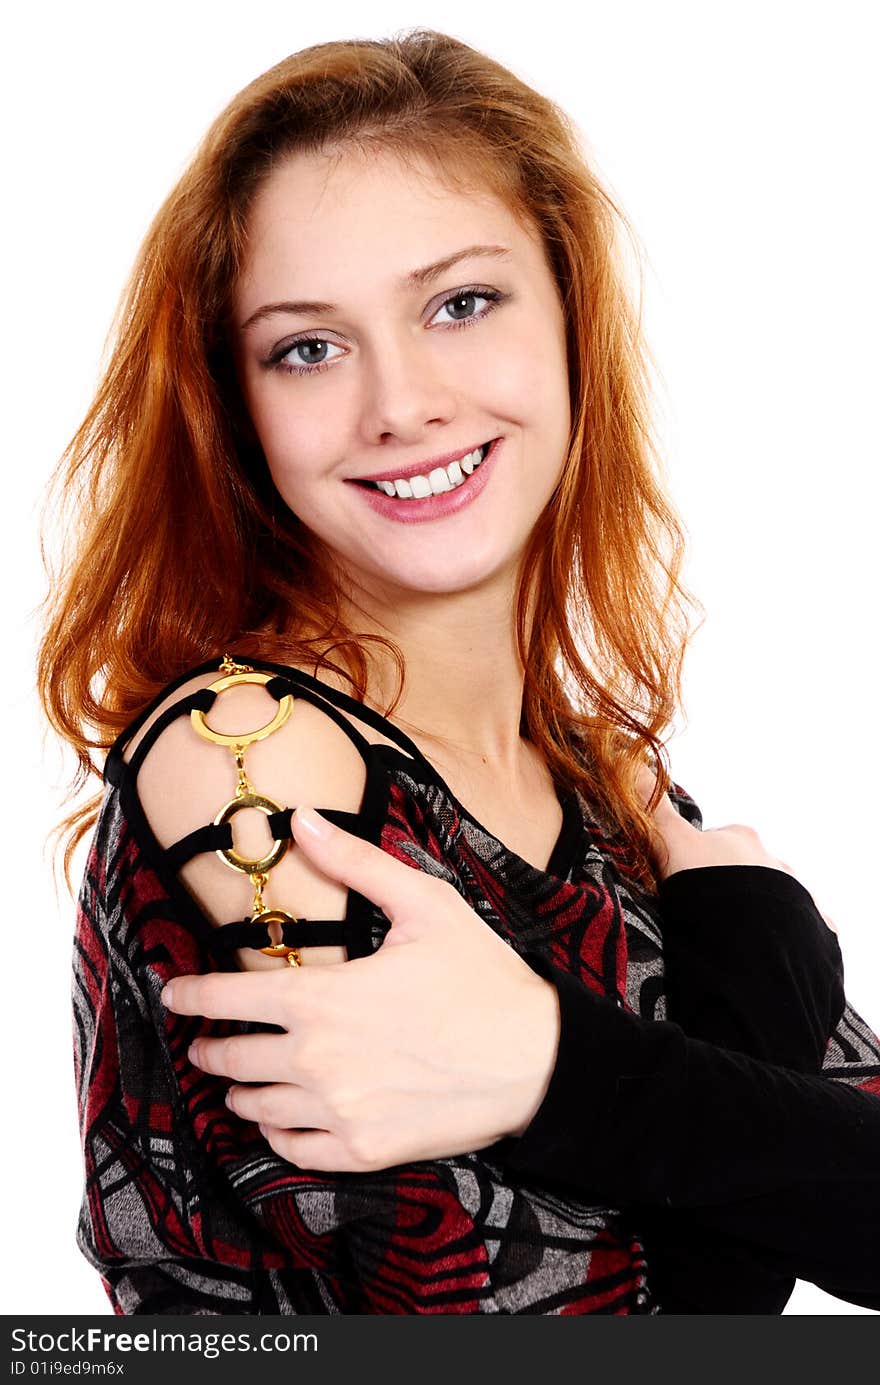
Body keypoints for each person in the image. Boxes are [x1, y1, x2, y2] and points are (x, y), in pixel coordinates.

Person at [39, 30, 880, 1316]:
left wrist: (677, 1005)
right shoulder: (252, 758)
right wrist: (723, 1023)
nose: (402, 402)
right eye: (307, 347)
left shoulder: (608, 788)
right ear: (239, 408)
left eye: (460, 303)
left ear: (568, 317)